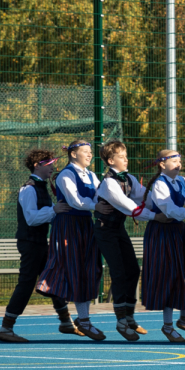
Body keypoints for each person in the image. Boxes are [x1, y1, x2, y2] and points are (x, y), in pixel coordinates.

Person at [0, 149, 78, 342]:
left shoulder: (42, 187)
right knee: (26, 283)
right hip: (30, 243)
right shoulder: (29, 188)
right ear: (37, 165)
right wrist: (54, 210)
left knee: (54, 278)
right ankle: (6, 328)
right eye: (50, 163)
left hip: (41, 242)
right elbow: (32, 218)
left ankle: (66, 322)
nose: (53, 167)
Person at [37, 140, 106, 340]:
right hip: (69, 226)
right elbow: (76, 201)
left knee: (88, 270)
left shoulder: (92, 175)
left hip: (86, 225)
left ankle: (82, 319)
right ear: (73, 154)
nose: (90, 155)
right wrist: (97, 206)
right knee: (75, 269)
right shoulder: (66, 175)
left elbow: (100, 197)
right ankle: (81, 319)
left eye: (90, 152)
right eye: (86, 151)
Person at [95, 140, 153, 340]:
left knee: (133, 270)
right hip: (104, 231)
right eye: (121, 156)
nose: (126, 159)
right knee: (119, 272)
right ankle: (120, 321)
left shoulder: (129, 178)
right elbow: (129, 206)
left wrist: (164, 205)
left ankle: (129, 316)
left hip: (117, 229)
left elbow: (144, 196)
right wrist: (154, 216)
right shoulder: (109, 183)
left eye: (126, 155)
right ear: (111, 160)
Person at [139, 149, 185, 342]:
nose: (179, 164)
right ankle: (168, 326)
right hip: (161, 233)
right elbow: (169, 209)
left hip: (179, 231)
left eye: (180, 160)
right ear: (162, 164)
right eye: (174, 160)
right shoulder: (159, 184)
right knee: (168, 277)